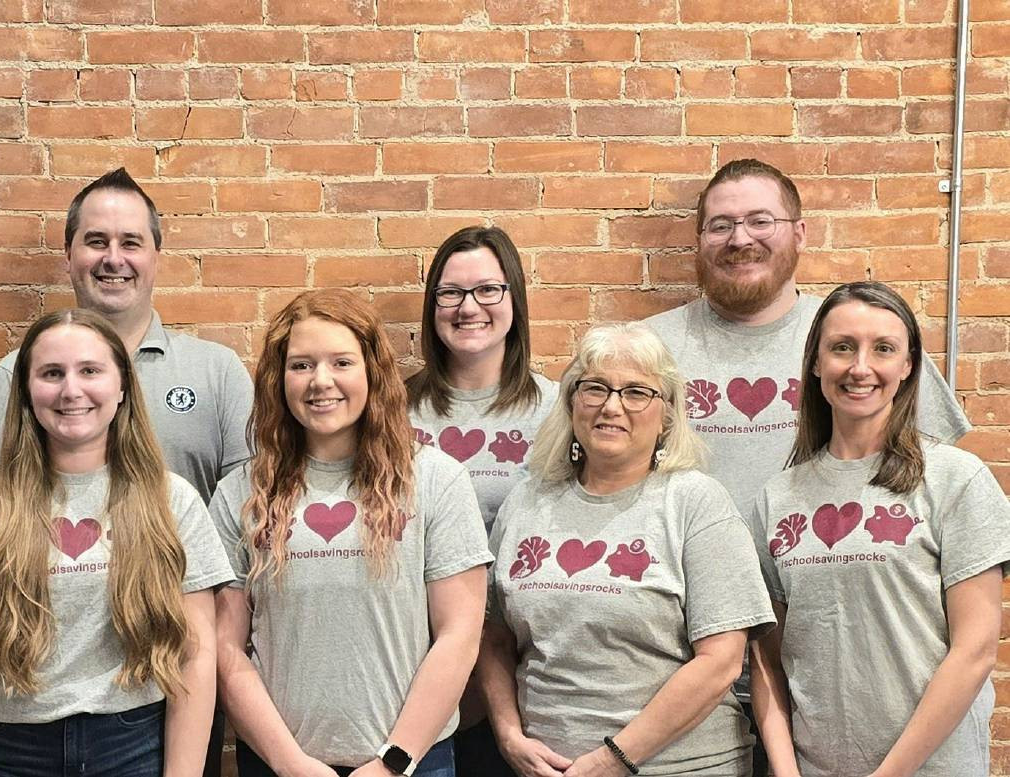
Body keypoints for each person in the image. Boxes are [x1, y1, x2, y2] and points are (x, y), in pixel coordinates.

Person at [641, 158, 972, 769]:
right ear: (698, 240)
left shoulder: (858, 339)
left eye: (760, 220)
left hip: (831, 687)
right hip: (680, 682)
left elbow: (935, 504)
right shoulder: (649, 350)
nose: (740, 239)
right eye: (720, 225)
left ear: (800, 231)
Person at [0, 309, 234, 777]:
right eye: (52, 373)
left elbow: (194, 653)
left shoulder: (172, 500)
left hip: (136, 745)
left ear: (123, 386)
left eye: (90, 371)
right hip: (10, 750)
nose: (71, 390)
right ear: (28, 392)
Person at [211, 288, 491, 777]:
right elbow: (224, 648)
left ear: (372, 373)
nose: (321, 381)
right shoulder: (242, 491)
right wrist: (291, 764)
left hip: (412, 764)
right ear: (279, 380)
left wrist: (393, 763)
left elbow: (459, 636)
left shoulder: (435, 480)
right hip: (279, 765)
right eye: (301, 365)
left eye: (341, 362)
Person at [480, 322, 775, 777]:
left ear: (668, 414)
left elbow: (721, 663)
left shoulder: (695, 502)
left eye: (637, 392)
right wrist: (508, 735)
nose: (612, 406)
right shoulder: (527, 501)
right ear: (572, 401)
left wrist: (612, 759)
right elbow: (495, 638)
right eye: (595, 388)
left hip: (678, 768)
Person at [748, 282, 1010, 777]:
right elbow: (768, 658)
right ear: (816, 362)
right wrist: (785, 770)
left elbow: (975, 651)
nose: (860, 367)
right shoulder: (776, 498)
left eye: (883, 349)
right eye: (842, 347)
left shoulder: (956, 478)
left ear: (908, 366)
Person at [0, 168, 253, 503]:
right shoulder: (18, 372)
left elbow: (249, 506)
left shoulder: (217, 371)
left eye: (130, 243)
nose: (113, 259)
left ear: (156, 257)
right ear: (68, 255)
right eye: (97, 242)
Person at [407, 225, 559, 777]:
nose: (469, 307)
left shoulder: (559, 411)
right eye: (450, 293)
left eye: (488, 290)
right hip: (419, 663)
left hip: (522, 668)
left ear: (514, 298)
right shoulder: (393, 413)